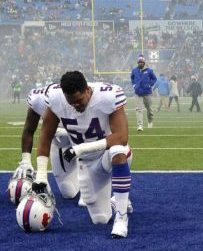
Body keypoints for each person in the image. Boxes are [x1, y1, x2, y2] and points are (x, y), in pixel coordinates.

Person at [32, 71, 133, 238]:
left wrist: (80, 149)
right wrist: (41, 175)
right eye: (71, 102)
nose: (75, 106)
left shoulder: (107, 96)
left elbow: (121, 137)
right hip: (87, 164)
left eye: (79, 101)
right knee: (100, 219)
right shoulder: (55, 98)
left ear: (87, 90)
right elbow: (45, 135)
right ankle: (117, 202)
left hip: (107, 154)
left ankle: (122, 219)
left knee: (119, 150)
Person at [11, 84, 80, 200]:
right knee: (69, 193)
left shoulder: (79, 96)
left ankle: (88, 180)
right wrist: (26, 160)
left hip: (83, 141)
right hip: (60, 143)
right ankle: (79, 176)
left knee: (91, 201)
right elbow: (29, 130)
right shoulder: (38, 99)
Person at [131, 55, 157, 132]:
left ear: (144, 62)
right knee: (139, 109)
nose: (140, 63)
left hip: (147, 92)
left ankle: (150, 120)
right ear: (137, 62)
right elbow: (132, 78)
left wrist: (150, 84)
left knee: (149, 108)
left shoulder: (149, 70)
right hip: (138, 92)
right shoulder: (134, 70)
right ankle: (140, 125)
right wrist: (134, 85)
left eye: (142, 62)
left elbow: (154, 79)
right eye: (139, 62)